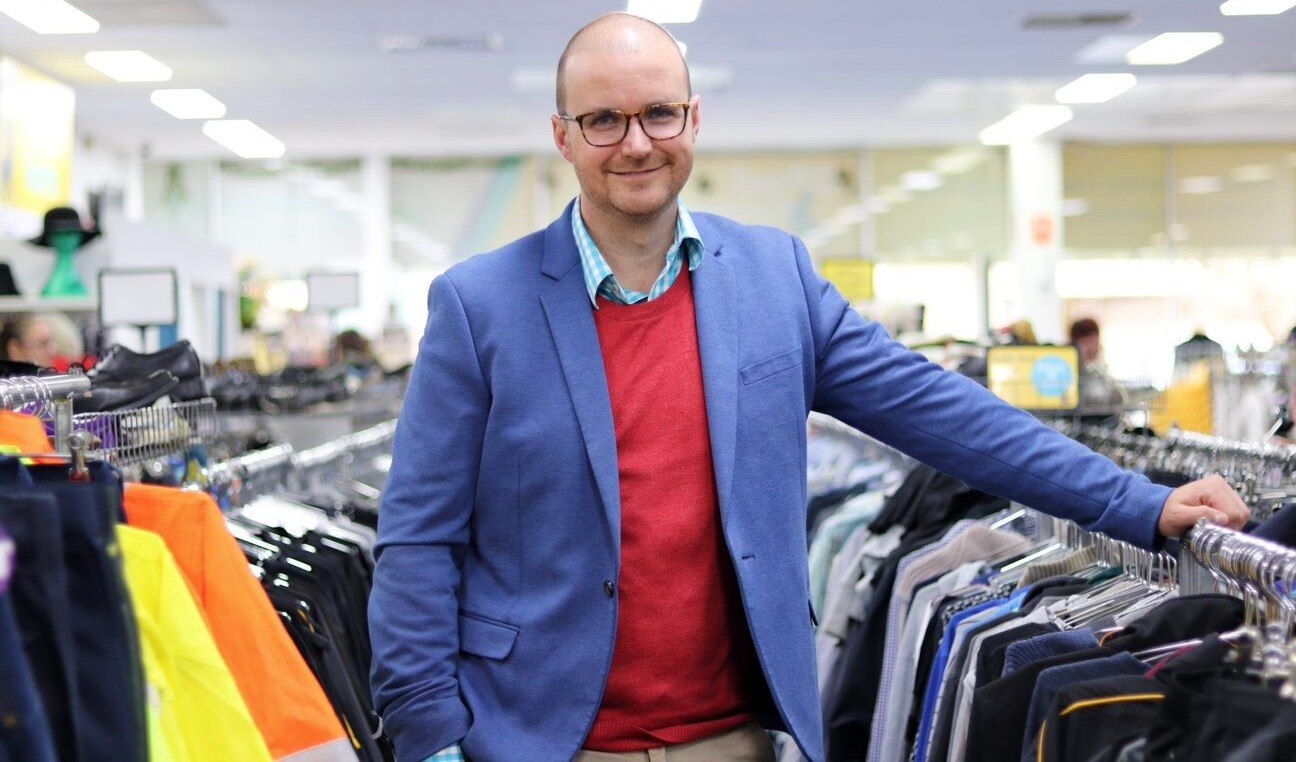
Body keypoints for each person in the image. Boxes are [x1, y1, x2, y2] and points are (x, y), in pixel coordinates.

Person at [370, 14, 1250, 762]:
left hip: (734, 739)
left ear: (694, 118)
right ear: (562, 135)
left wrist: (1139, 503)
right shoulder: (479, 304)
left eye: (658, 113)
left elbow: (944, 414)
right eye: (603, 120)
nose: (636, 143)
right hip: (532, 738)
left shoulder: (773, 277)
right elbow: (417, 541)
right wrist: (432, 738)